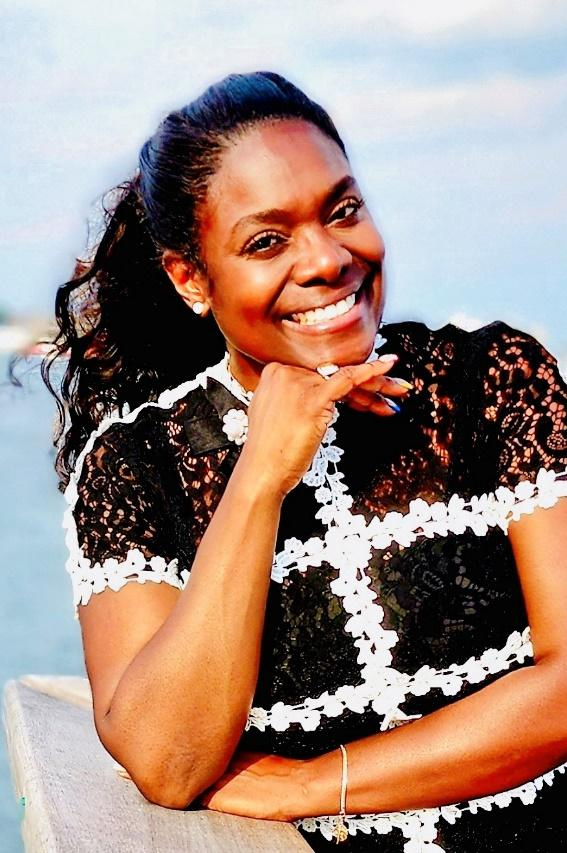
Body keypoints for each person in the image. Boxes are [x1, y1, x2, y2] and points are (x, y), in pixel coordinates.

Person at [45, 71, 567, 852]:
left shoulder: (492, 379)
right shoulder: (135, 466)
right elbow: (167, 759)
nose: (327, 258)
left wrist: (312, 783)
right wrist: (259, 477)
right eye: (266, 241)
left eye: (342, 210)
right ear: (190, 278)